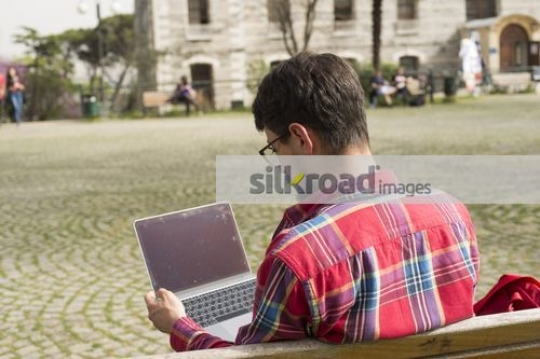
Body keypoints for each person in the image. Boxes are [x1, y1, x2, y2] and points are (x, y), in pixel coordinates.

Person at [145, 52, 479, 352]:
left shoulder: (298, 257)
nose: (278, 164)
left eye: (275, 149)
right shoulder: (451, 213)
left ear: (302, 139)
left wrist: (179, 326)